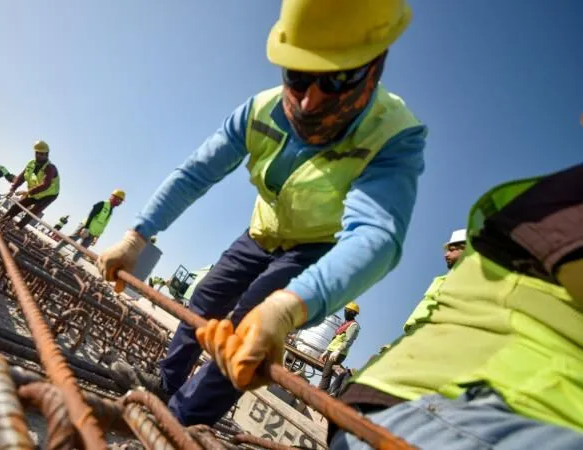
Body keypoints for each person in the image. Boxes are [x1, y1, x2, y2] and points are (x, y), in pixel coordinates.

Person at [99, 0, 426, 425]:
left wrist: (288, 307)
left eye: (337, 81)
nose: (309, 102)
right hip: (261, 232)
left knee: (247, 331)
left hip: (311, 248)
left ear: (374, 67)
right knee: (206, 299)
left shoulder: (393, 134)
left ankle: (182, 420)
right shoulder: (260, 111)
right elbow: (195, 173)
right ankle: (166, 381)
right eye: (299, 76)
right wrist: (136, 237)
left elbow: (376, 235)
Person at [214, 163, 583, 448]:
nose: (445, 253)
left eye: (451, 248)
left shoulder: (536, 226)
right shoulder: (461, 275)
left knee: (324, 378)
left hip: (457, 407)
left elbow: (347, 335)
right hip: (417, 392)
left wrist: (329, 351)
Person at [402, 229, 466, 334]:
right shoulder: (442, 280)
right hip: (416, 330)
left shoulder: (471, 279)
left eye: (452, 250)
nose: (446, 255)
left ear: (465, 250)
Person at [1, 140, 60, 229]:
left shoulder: (50, 168)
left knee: (32, 212)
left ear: (46, 155)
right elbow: (22, 177)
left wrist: (28, 192)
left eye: (41, 154)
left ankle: (17, 228)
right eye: (37, 153)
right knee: (18, 206)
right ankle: (3, 220)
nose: (38, 155)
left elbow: (46, 184)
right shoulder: (31, 163)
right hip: (34, 192)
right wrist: (13, 189)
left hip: (48, 195)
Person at [57, 190, 125, 261]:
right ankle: (56, 249)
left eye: (121, 201)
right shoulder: (102, 204)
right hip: (85, 228)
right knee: (70, 240)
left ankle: (72, 262)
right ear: (113, 197)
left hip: (93, 234)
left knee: (82, 250)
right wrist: (86, 228)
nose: (120, 203)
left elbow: (103, 224)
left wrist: (97, 236)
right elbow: (91, 214)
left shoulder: (111, 210)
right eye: (119, 200)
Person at [317, 301, 360, 390]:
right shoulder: (344, 324)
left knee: (326, 374)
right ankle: (321, 393)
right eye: (345, 310)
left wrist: (338, 351)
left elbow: (348, 341)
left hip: (338, 352)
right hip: (332, 351)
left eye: (347, 310)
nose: (345, 312)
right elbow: (336, 339)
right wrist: (326, 351)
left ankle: (320, 394)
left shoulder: (354, 325)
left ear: (353, 313)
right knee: (326, 373)